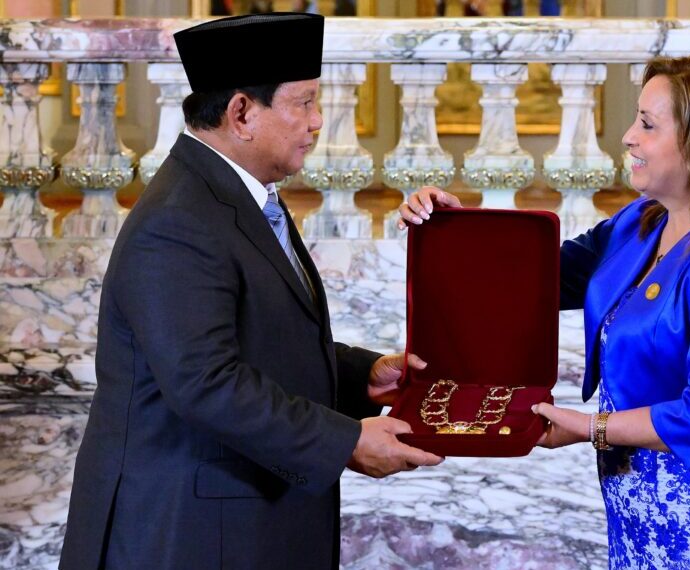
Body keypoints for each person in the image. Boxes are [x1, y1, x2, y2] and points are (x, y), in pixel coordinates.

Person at [60, 13, 442, 570]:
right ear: (241, 112)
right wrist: (345, 442)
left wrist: (364, 375)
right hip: (186, 534)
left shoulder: (235, 193)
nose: (317, 122)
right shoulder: (179, 219)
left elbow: (260, 340)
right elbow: (205, 382)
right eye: (304, 103)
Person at [399, 56, 690, 568]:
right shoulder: (641, 221)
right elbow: (529, 279)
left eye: (647, 124)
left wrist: (589, 427)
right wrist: (450, 228)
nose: (628, 138)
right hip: (638, 503)